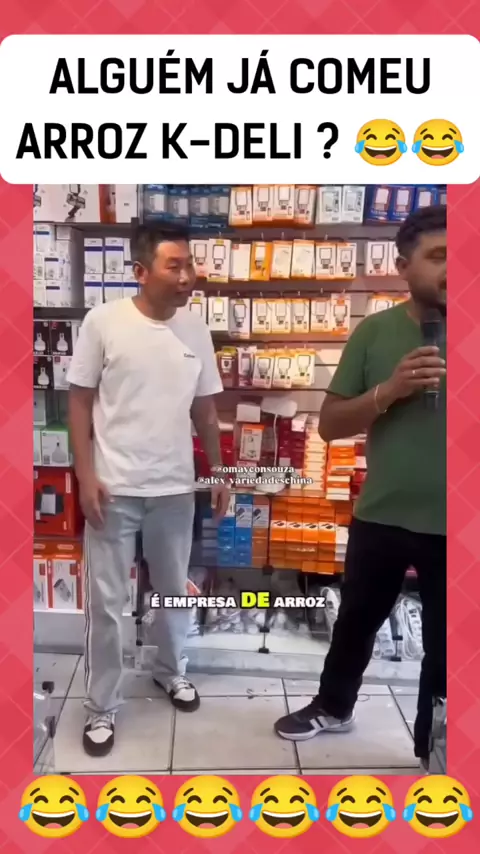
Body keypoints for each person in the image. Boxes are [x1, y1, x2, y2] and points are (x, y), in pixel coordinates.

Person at [274, 204, 446, 767]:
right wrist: (388, 391)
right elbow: (330, 424)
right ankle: (333, 705)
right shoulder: (375, 332)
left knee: (448, 650)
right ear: (403, 267)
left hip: (458, 527)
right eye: (438, 256)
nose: (455, 268)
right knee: (355, 622)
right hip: (381, 515)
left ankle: (434, 749)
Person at [67, 224, 229, 757]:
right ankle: (102, 705)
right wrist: (85, 476)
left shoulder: (196, 329)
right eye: (173, 266)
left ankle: (170, 670)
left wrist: (219, 471)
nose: (187, 276)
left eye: (189, 265)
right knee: (107, 603)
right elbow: (80, 403)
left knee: (174, 590)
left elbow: (206, 409)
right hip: (113, 490)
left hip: (175, 489)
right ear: (140, 271)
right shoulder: (104, 322)